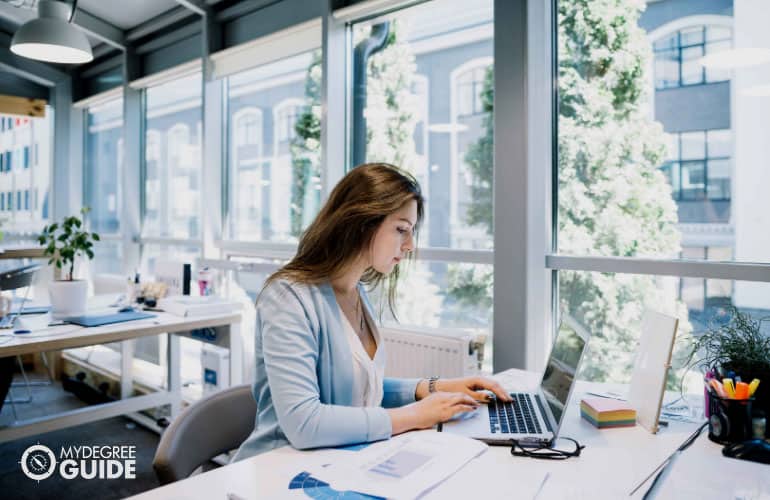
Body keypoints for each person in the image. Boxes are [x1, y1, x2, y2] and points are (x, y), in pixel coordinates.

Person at [233, 163, 510, 460]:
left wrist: (431, 388)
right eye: (401, 229)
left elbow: (356, 388)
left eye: (412, 231)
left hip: (333, 461)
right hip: (275, 468)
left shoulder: (356, 291)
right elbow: (304, 423)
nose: (410, 245)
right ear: (360, 222)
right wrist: (416, 415)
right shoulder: (288, 297)